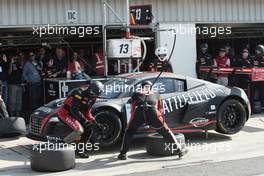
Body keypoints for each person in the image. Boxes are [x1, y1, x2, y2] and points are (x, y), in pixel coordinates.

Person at [118, 81, 187, 160]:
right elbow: (160, 109)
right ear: (151, 87)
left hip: (139, 112)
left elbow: (133, 110)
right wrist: (158, 121)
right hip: (153, 112)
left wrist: (134, 122)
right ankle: (179, 150)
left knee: (129, 132)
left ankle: (123, 154)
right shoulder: (156, 94)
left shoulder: (135, 94)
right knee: (166, 132)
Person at [56, 80, 104, 158]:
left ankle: (79, 150)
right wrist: (84, 121)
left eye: (96, 94)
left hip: (75, 115)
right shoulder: (78, 93)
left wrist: (95, 123)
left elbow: (87, 112)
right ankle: (60, 145)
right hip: (65, 113)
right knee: (79, 130)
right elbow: (74, 110)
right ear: (90, 89)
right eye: (93, 93)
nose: (94, 96)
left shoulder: (93, 98)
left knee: (89, 129)